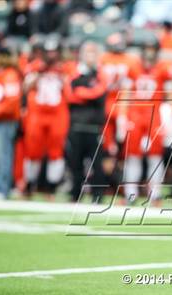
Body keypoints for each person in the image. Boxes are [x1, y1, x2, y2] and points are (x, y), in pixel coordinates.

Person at [121, 36, 172, 204]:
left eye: (152, 49)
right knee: (132, 155)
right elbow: (125, 92)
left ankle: (155, 193)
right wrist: (123, 115)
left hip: (155, 115)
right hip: (135, 114)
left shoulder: (163, 68)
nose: (149, 53)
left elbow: (171, 95)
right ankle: (130, 193)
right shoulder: (133, 67)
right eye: (147, 49)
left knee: (155, 155)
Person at [23, 35, 68, 195]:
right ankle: (29, 183)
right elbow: (25, 87)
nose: (51, 55)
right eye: (48, 52)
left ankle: (52, 186)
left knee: (56, 150)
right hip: (38, 111)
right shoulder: (35, 66)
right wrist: (36, 74)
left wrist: (63, 78)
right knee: (33, 150)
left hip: (57, 113)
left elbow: (70, 90)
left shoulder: (65, 67)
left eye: (54, 52)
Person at [65, 40, 107, 202]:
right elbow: (69, 95)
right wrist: (88, 93)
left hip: (94, 126)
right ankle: (76, 193)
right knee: (75, 162)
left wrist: (82, 93)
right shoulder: (74, 72)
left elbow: (100, 92)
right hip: (76, 125)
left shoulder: (100, 73)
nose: (90, 56)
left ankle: (98, 196)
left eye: (93, 52)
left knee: (97, 163)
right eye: (88, 52)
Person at [0, 46, 22, 199]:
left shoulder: (10, 75)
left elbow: (10, 104)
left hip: (4, 122)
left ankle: (2, 188)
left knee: (3, 155)